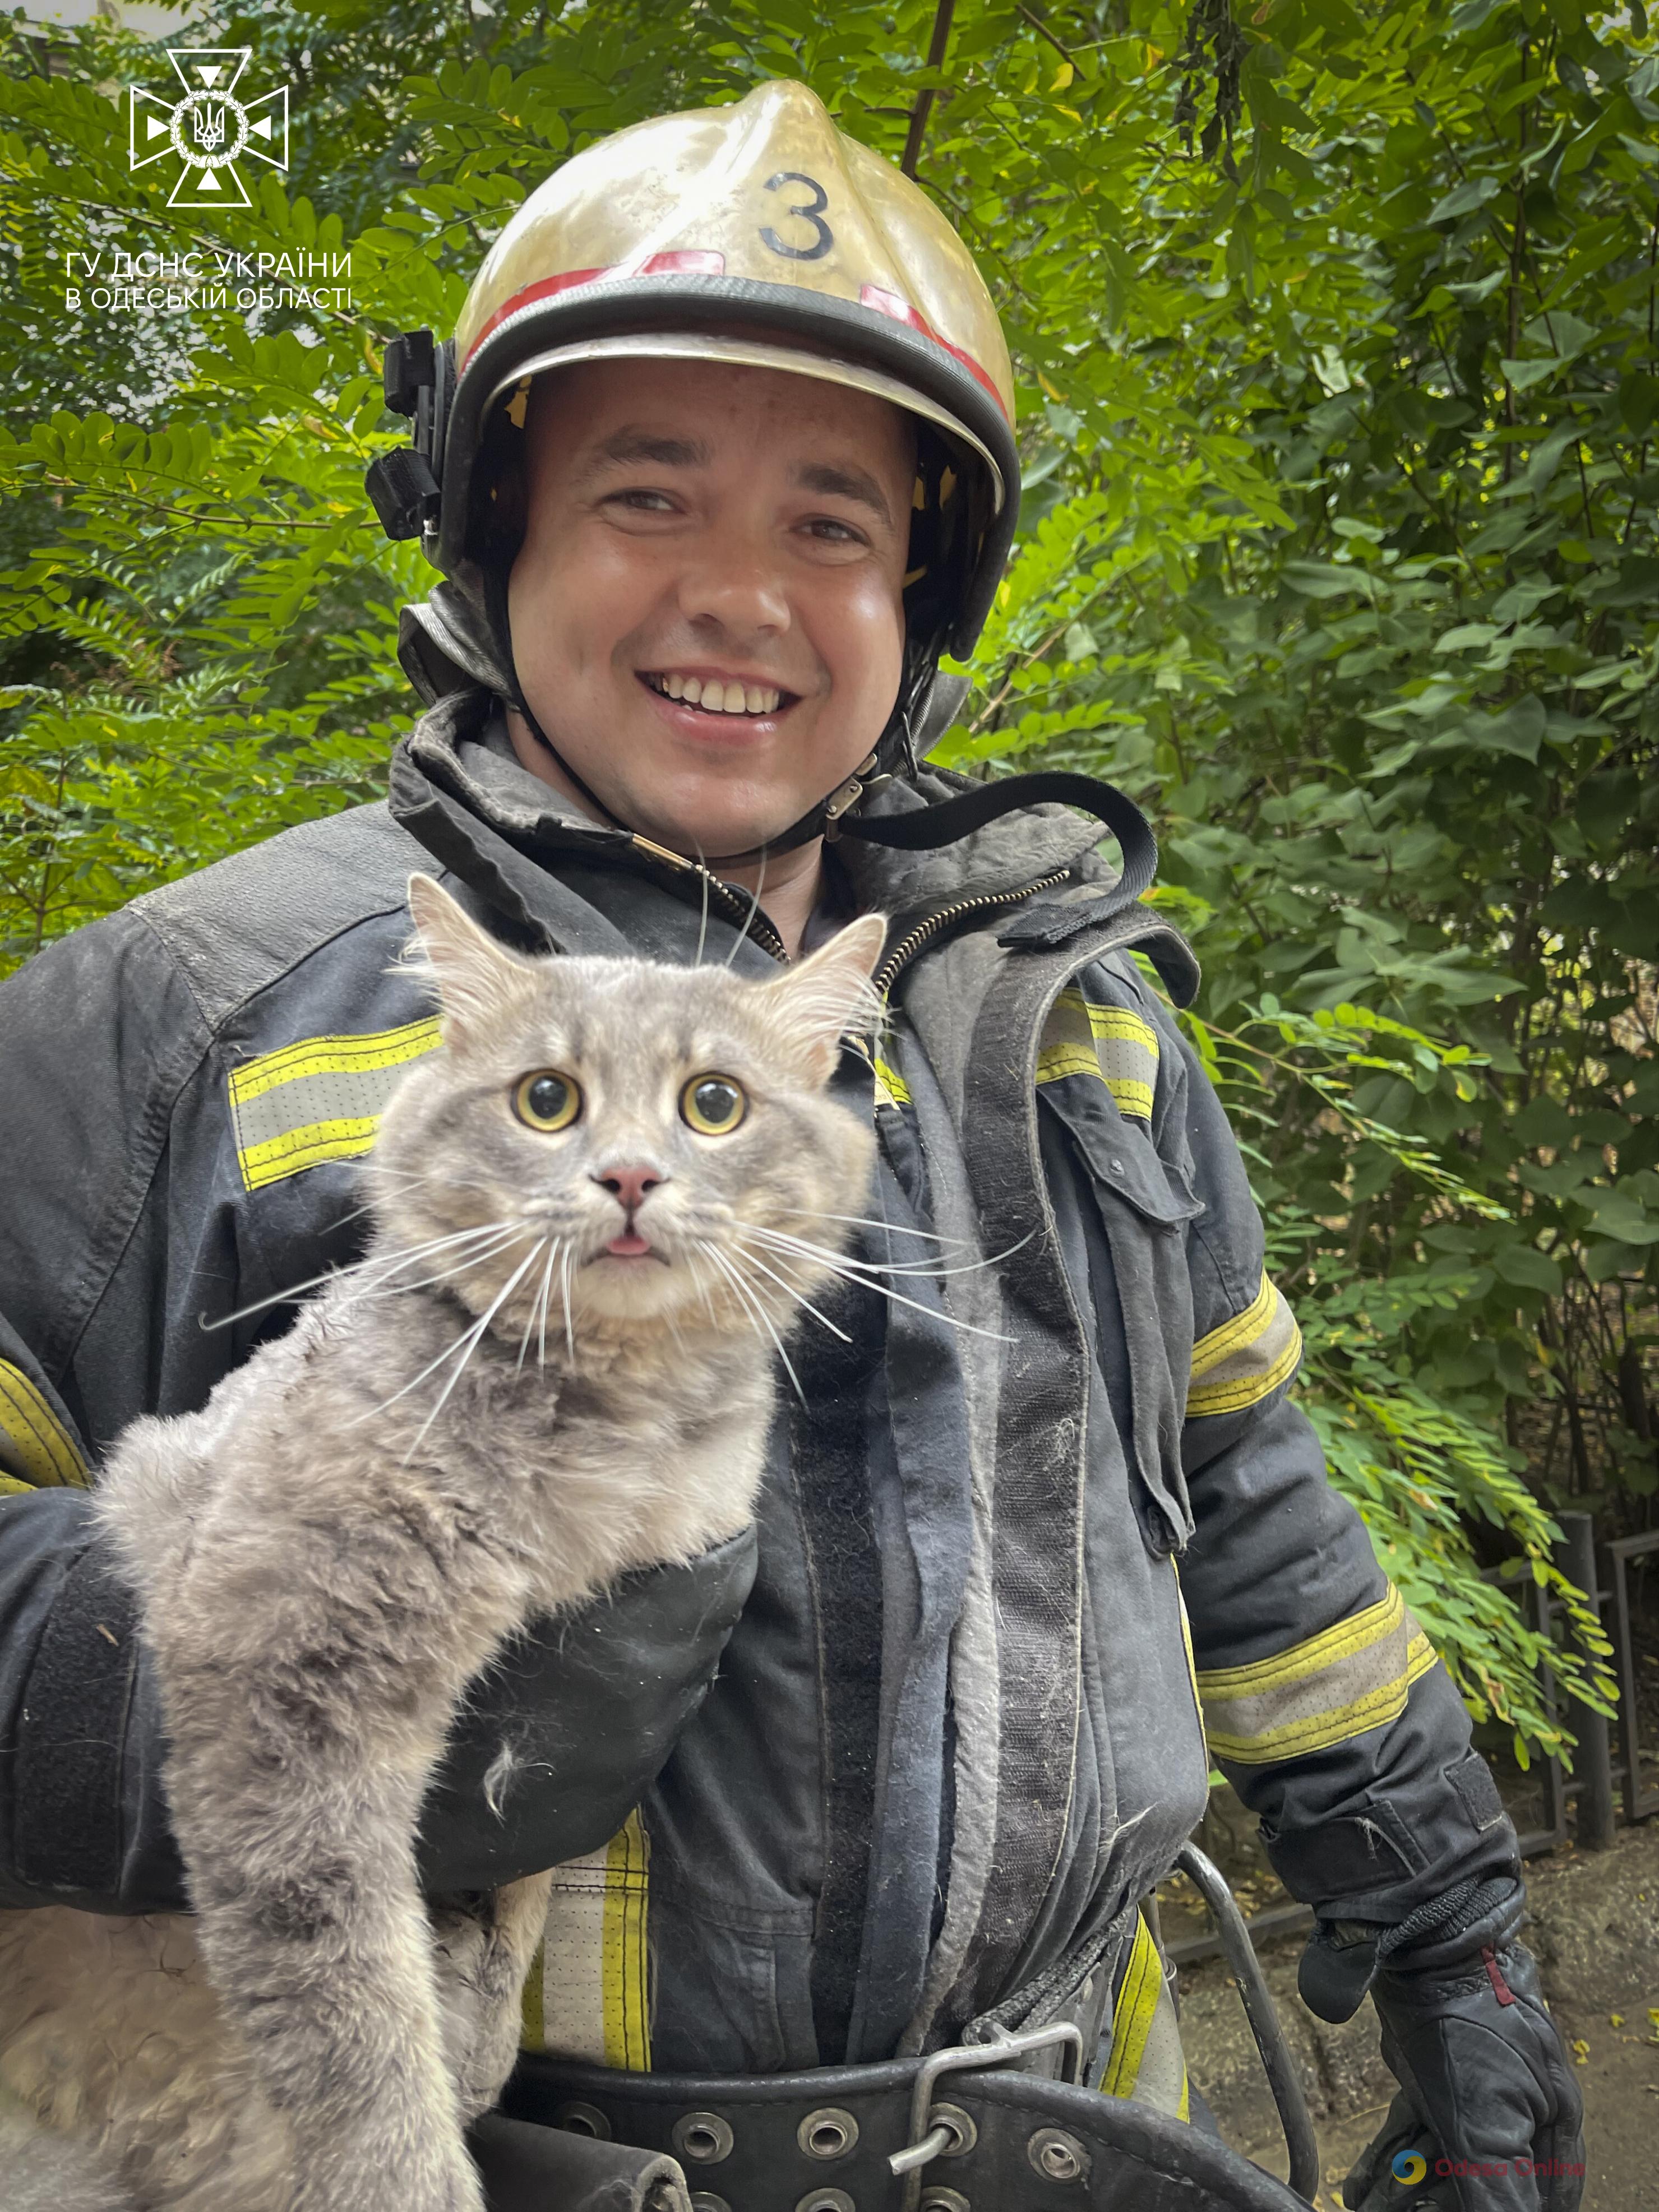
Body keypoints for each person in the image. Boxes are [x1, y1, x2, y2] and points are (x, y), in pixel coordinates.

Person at [0, 78, 1582, 2212]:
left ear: (920, 593)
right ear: (502, 530)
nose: (741, 594)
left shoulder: (1073, 1032)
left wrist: (1457, 1944)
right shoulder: (194, 1015)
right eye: (649, 496)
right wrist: (236, 1683)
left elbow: (1260, 1516)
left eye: (832, 523)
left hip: (1095, 2149)